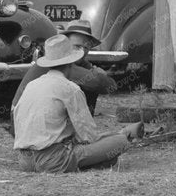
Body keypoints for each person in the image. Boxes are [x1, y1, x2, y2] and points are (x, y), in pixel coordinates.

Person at [12, 34, 143, 173]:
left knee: (105, 142)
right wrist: (115, 137)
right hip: (53, 160)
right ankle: (119, 138)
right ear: (70, 64)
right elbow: (88, 136)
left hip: (25, 161)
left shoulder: (32, 85)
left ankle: (96, 155)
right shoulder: (70, 88)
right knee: (120, 142)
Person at [10, 18, 117, 115]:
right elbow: (99, 83)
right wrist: (99, 74)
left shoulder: (80, 62)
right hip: (22, 117)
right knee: (86, 87)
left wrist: (99, 77)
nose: (82, 51)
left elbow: (110, 87)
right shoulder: (60, 62)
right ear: (66, 44)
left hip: (32, 118)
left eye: (86, 47)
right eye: (77, 46)